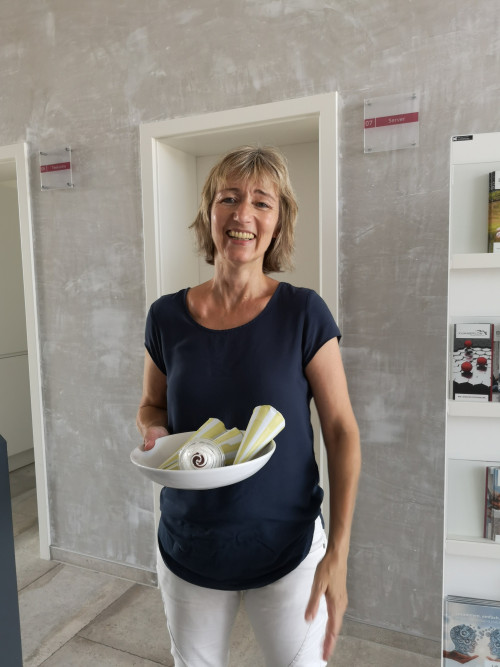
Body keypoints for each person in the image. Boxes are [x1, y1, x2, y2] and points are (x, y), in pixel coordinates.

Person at [136, 145, 361, 667]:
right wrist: (153, 432)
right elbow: (151, 405)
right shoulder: (166, 317)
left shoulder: (303, 313)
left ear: (279, 223)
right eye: (229, 198)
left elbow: (341, 431)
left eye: (262, 202)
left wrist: (339, 553)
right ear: (208, 213)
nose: (243, 214)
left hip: (288, 547)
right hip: (189, 543)